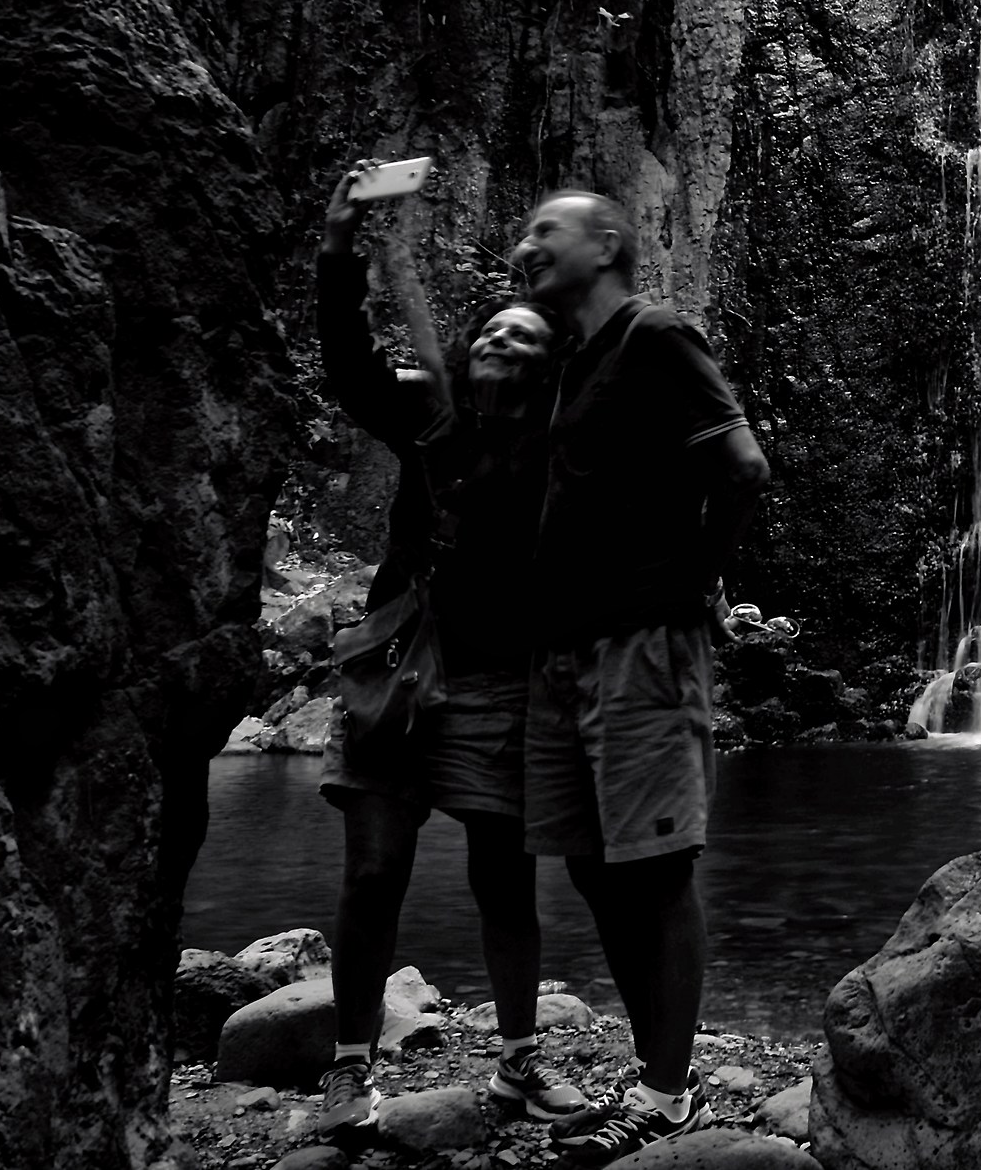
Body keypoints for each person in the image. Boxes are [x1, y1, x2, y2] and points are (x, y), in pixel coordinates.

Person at [313, 163, 591, 1137]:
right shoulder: (429, 416)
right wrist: (341, 247)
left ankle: (518, 1060)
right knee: (373, 871)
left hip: (502, 681)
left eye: (524, 335)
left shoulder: (563, 445)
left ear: (550, 366)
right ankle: (350, 1065)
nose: (501, 340)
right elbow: (350, 364)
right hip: (399, 670)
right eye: (490, 332)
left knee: (505, 878)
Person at [509, 190, 771, 1163]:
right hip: (565, 650)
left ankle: (665, 1093)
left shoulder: (656, 334)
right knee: (591, 862)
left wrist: (687, 583)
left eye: (547, 230)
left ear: (608, 243)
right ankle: (658, 1068)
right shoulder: (575, 361)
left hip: (640, 647)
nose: (525, 244)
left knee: (658, 871)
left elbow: (743, 466)